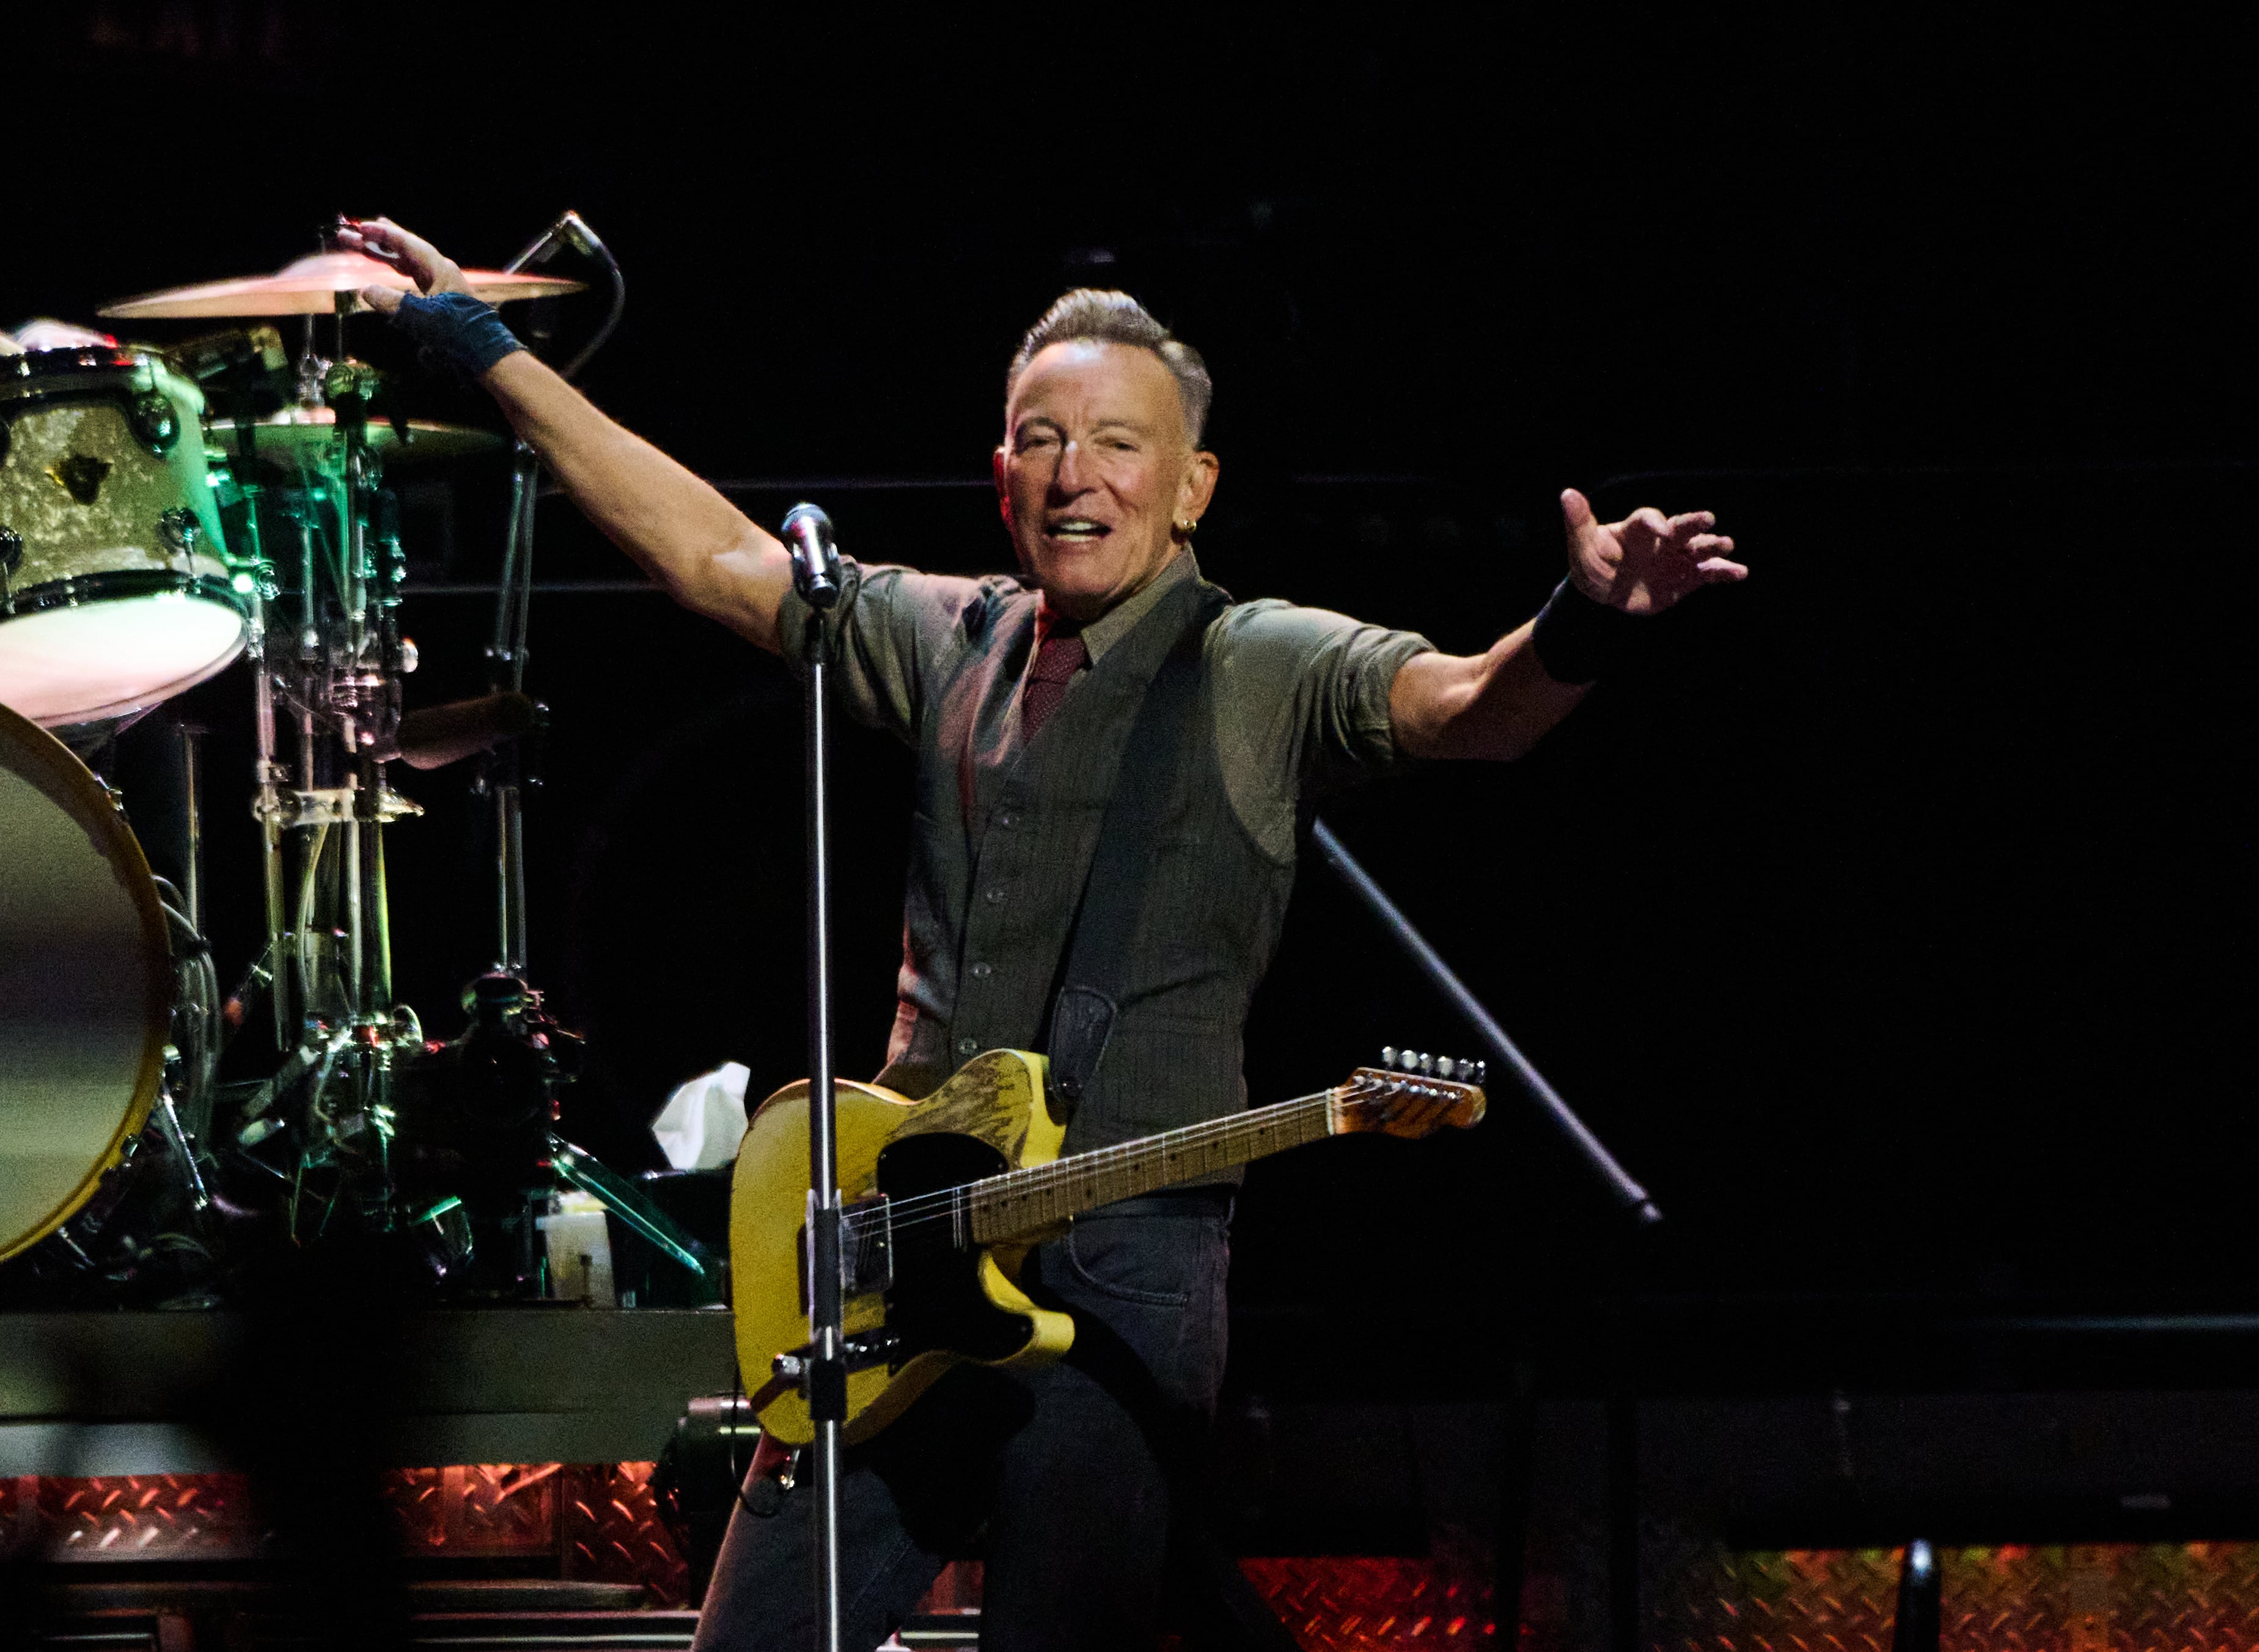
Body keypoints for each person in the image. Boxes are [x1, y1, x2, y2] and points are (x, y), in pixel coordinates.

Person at [338, 217, 1745, 1651]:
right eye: (1043, 439)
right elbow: (716, 556)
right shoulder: (956, 637)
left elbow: (1469, 707)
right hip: (896, 1245)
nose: (1077, 474)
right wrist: (491, 355)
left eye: (1119, 445)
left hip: (1122, 1272)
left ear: (1193, 486)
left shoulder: (1262, 660)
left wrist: (1584, 617)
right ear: (999, 475)